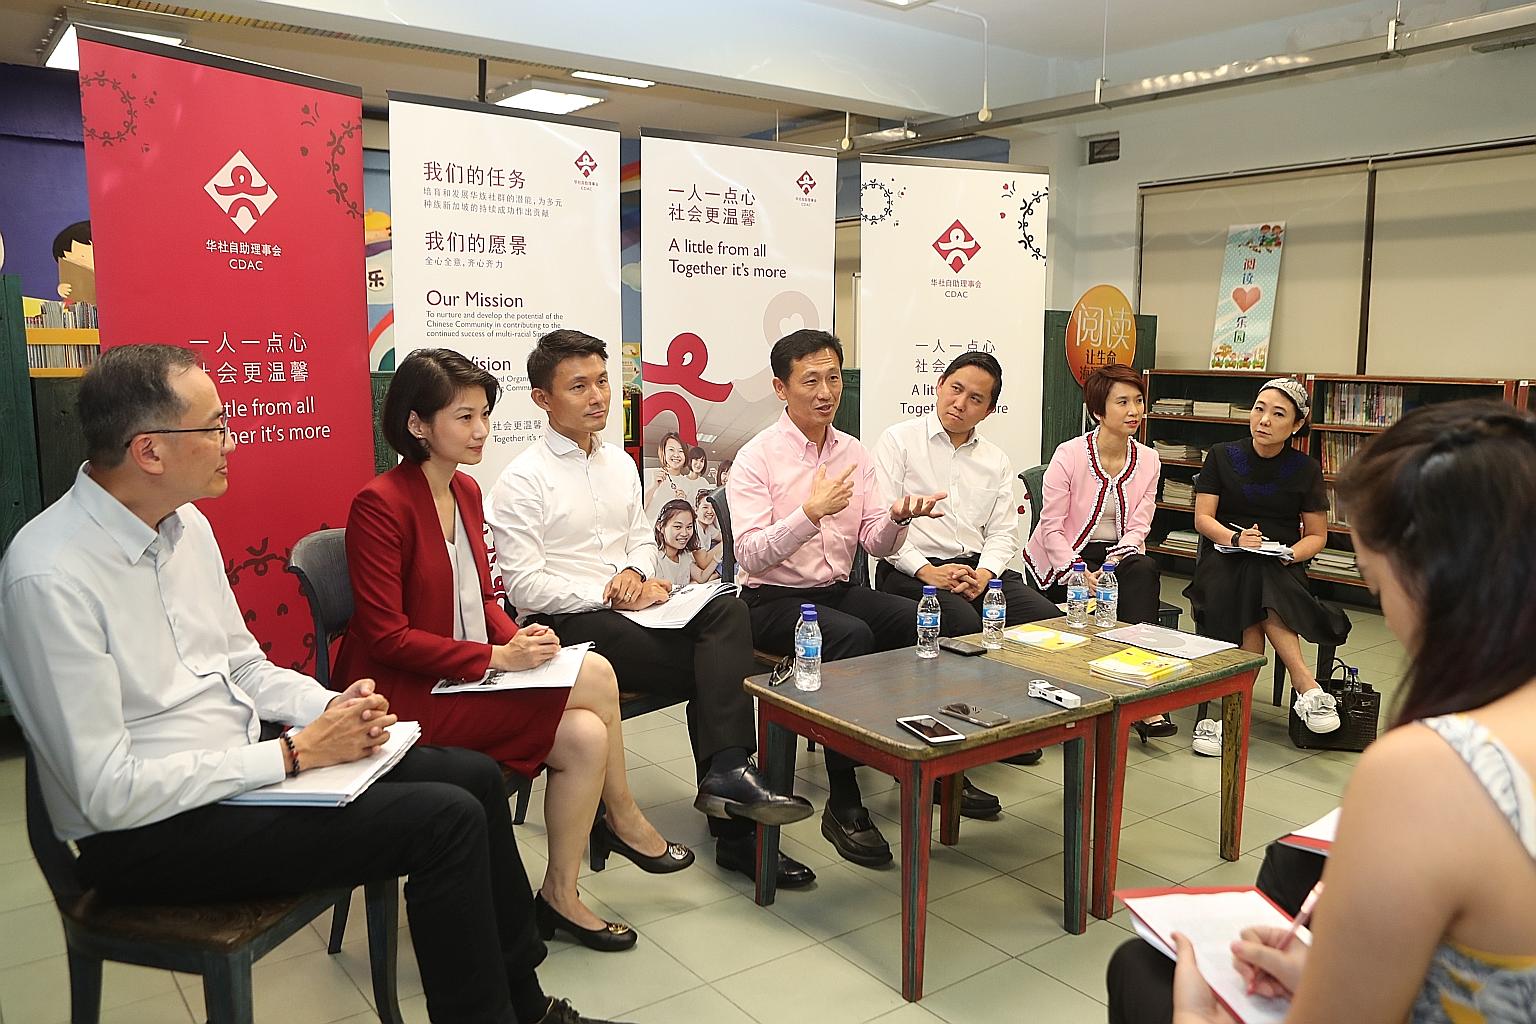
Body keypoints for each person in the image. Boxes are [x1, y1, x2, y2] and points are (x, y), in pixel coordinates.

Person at [0, 344, 617, 1024]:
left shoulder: (186, 527)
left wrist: (334, 706)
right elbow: (105, 790)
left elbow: (243, 667)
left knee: (469, 778)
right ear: (149, 451)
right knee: (444, 823)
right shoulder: (50, 573)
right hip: (152, 831)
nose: (231, 441)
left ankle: (524, 1004)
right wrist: (292, 756)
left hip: (241, 774)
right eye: (215, 427)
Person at [1168, 400, 1536, 1024]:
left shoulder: (1428, 766)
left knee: (1145, 973)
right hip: (1227, 563)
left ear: (1428, 571)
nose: (1372, 592)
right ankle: (1298, 689)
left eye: (1372, 573)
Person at [335, 348, 684, 954]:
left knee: (587, 737)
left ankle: (560, 895)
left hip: (463, 672)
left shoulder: (467, 490)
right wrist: (497, 659)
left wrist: (515, 636)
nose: (481, 432)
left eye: (484, 416)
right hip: (402, 697)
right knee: (597, 673)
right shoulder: (380, 504)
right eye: (464, 418)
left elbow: (488, 595)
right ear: (417, 425)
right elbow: (387, 637)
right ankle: (623, 817)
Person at [488, 330, 816, 890]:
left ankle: (726, 778)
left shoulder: (617, 461)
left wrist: (637, 572)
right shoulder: (522, 480)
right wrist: (610, 590)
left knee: (727, 611)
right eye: (579, 386)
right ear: (542, 398)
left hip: (634, 614)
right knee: (722, 672)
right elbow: (525, 588)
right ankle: (733, 815)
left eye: (602, 381)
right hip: (571, 628)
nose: (597, 397)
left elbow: (641, 537)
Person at [729, 329, 947, 867]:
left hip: (839, 589)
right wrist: (810, 513)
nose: (826, 391)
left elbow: (872, 539)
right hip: (771, 602)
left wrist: (897, 520)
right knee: (851, 636)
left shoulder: (853, 450)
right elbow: (751, 556)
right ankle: (844, 798)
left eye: (833, 378)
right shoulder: (756, 458)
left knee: (918, 618)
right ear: (781, 388)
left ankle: (924, 759)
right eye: (811, 381)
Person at [872, 351, 1060, 802]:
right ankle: (940, 766)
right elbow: (880, 523)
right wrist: (928, 571)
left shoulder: (995, 459)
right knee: (962, 627)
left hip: (977, 570)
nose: (960, 403)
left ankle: (998, 730)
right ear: (939, 384)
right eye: (955, 388)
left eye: (976, 398)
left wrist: (986, 573)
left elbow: (1002, 533)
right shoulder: (898, 441)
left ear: (989, 410)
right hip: (909, 568)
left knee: (1047, 623)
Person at [1183, 378, 1349, 755]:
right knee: (1254, 578)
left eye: (1278, 414)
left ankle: (1229, 717)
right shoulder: (1222, 455)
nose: (1264, 420)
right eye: (1259, 409)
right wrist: (1236, 539)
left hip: (1280, 565)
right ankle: (1305, 684)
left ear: (1295, 426)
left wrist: (1289, 552)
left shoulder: (1305, 468)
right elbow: (1203, 519)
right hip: (1224, 558)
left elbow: (1316, 536)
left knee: (1261, 579)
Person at [1023, 363, 1177, 743]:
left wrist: (1112, 564)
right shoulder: (1070, 455)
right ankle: (1108, 693)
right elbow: (1050, 525)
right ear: (1098, 411)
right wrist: (1077, 568)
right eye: (1122, 402)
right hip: (1064, 556)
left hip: (1119, 556)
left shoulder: (1150, 460)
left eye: (1138, 401)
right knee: (1102, 583)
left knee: (1143, 569)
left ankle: (1138, 690)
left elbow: (1141, 525)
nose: (1134, 411)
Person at [652, 497, 715, 586]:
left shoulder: (684, 555)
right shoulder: (654, 560)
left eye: (689, 527)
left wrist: (717, 559)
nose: (685, 533)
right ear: (660, 527)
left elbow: (701, 577)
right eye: (678, 527)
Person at [643, 430, 691, 519]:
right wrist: (653, 487)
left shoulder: (687, 483)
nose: (676, 455)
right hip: (649, 531)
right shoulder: (649, 473)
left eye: (681, 451)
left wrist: (683, 503)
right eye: (671, 450)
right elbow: (636, 509)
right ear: (663, 452)